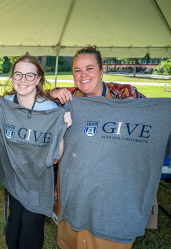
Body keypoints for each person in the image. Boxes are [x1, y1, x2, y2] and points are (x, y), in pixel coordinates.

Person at [50, 45, 153, 249]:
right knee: (75, 234)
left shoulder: (125, 94)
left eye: (89, 68)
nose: (83, 75)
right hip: (75, 182)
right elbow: (32, 98)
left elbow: (152, 120)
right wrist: (53, 91)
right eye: (77, 71)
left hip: (115, 185)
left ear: (101, 71)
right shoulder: (68, 97)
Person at [0, 55, 71, 249]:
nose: (23, 80)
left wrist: (62, 129)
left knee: (30, 222)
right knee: (15, 219)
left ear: (38, 79)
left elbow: (56, 158)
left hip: (39, 177)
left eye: (29, 75)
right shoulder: (4, 104)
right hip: (14, 174)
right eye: (18, 74)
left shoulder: (50, 109)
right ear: (12, 77)